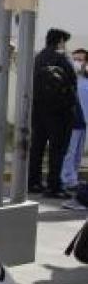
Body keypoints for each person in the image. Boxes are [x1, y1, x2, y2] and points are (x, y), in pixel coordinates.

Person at [29, 28, 79, 198]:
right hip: (59, 113)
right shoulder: (62, 58)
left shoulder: (38, 58)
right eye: (64, 41)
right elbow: (73, 81)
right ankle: (54, 186)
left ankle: (33, 182)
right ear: (60, 41)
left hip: (38, 111)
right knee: (57, 150)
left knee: (37, 147)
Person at [60, 48, 88, 192]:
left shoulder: (85, 81)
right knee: (69, 152)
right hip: (71, 122)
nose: (76, 62)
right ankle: (66, 179)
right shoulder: (68, 79)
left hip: (83, 123)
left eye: (80, 59)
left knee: (78, 153)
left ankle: (73, 178)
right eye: (74, 59)